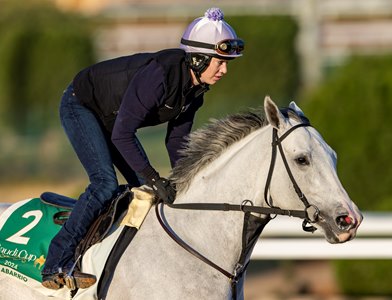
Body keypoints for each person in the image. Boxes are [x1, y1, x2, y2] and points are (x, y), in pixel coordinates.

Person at [41, 7, 244, 290]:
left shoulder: (195, 91)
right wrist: (153, 175)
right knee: (104, 184)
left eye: (227, 63)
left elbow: (177, 142)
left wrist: (184, 181)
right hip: (82, 105)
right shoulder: (161, 76)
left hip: (113, 118)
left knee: (144, 191)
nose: (224, 70)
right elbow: (123, 134)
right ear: (197, 59)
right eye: (220, 62)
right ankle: (56, 264)